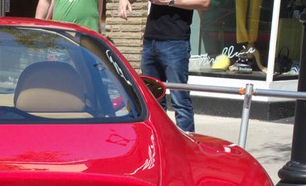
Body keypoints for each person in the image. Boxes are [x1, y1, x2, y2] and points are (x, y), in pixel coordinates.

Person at [119, 0, 209, 132]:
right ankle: (158, 138)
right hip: (150, 40)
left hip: (175, 41)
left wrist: (170, 1)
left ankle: (185, 141)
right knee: (153, 100)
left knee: (180, 100)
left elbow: (204, 3)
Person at [35, 0, 103, 33]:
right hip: (62, 34)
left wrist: (98, 21)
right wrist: (37, 26)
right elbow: (45, 1)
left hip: (88, 33)